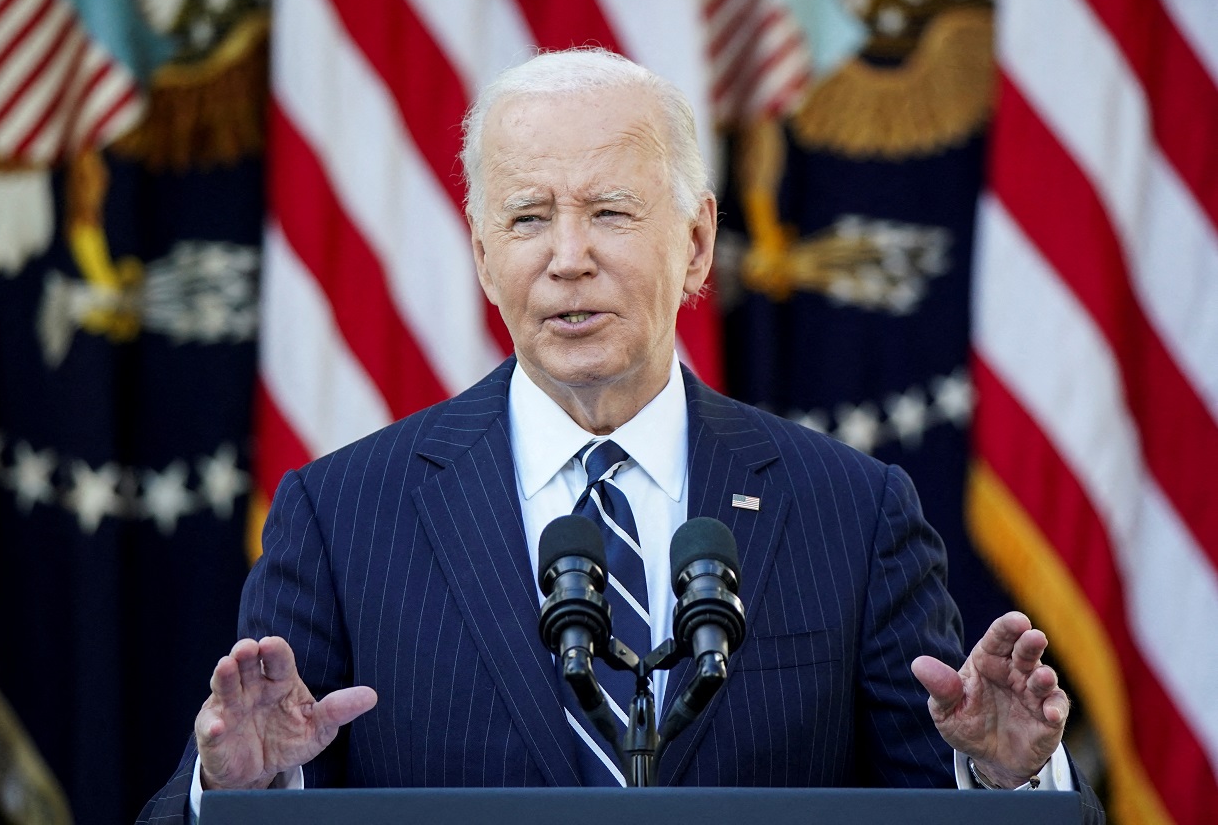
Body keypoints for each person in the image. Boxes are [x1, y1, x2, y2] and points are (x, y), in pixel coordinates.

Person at [138, 49, 1103, 823]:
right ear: (482, 253)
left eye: (609, 212)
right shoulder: (344, 516)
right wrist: (242, 795)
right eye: (527, 217)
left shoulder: (850, 511)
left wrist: (1009, 784)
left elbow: (929, 802)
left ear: (694, 242)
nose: (567, 259)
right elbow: (194, 806)